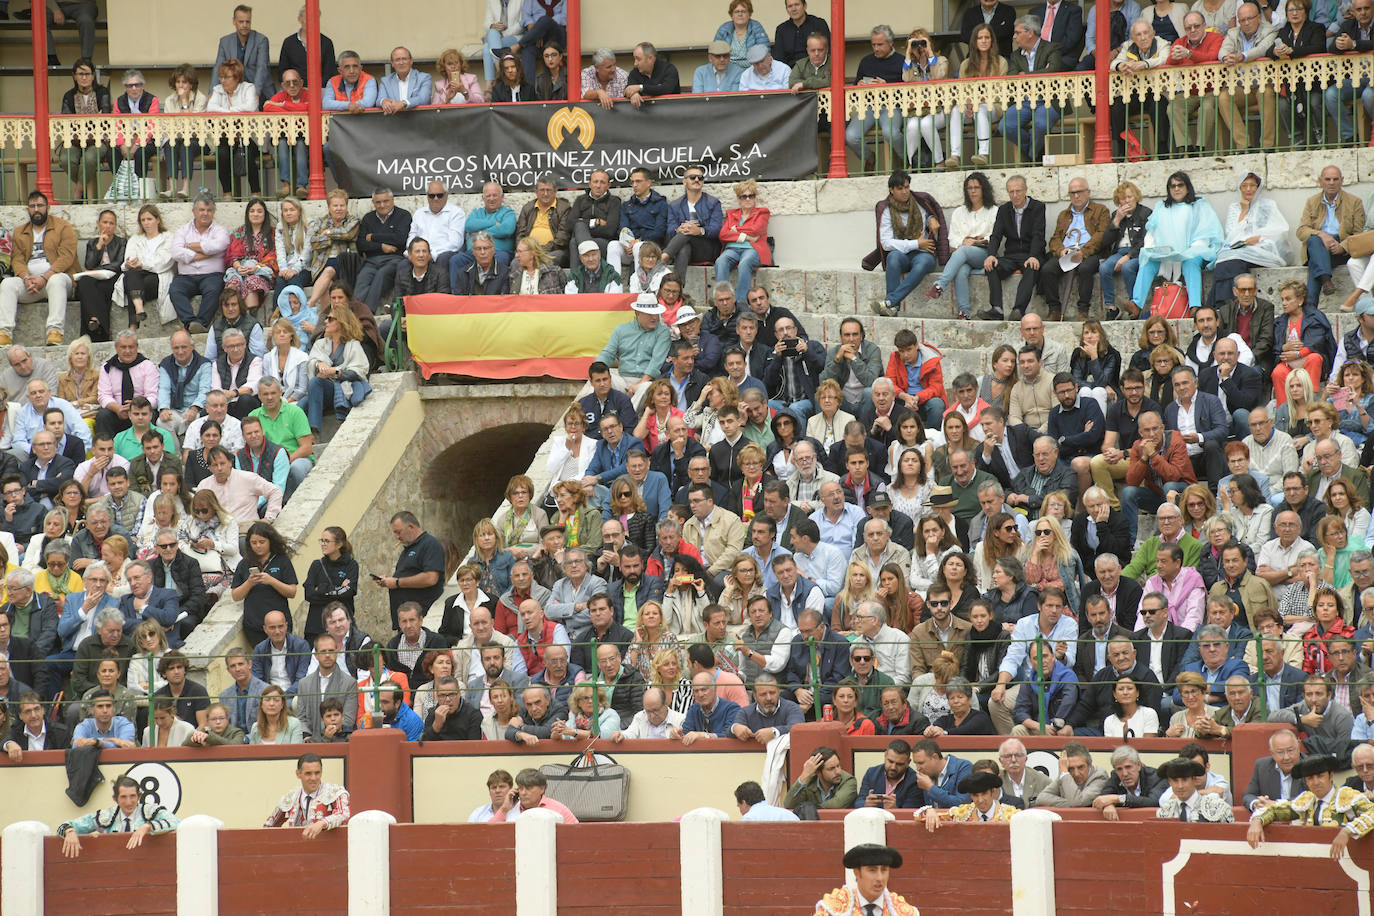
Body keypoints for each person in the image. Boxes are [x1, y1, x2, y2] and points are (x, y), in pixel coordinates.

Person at [1248, 754, 1374, 858]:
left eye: (1320, 776)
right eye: (1310, 778)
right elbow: (1276, 811)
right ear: (1306, 781)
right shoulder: (1306, 800)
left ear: (1331, 776)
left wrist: (1347, 831)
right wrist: (1257, 820)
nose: (1315, 782)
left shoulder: (1347, 796)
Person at [1, 192, 75, 348]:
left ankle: (54, 332)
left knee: (57, 280)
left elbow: (66, 257)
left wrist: (44, 277)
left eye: (40, 206)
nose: (36, 210)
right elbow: (17, 259)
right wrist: (26, 278)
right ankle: (4, 333)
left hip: (57, 282)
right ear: (27, 210)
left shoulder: (63, 227)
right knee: (7, 284)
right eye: (32, 206)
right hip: (30, 284)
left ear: (48, 207)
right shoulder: (20, 231)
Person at [56, 775, 179, 858]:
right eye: (123, 797)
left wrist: (148, 826)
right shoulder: (107, 816)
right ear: (115, 799)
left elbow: (176, 822)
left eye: (132, 796)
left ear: (139, 797)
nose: (129, 802)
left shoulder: (150, 811)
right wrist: (70, 831)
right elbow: (62, 826)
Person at [264, 753, 350, 838]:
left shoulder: (335, 792)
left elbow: (344, 814)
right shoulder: (290, 798)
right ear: (298, 774)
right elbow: (268, 827)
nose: (313, 778)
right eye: (308, 773)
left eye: (317, 773)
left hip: (329, 850)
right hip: (298, 850)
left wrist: (322, 823)